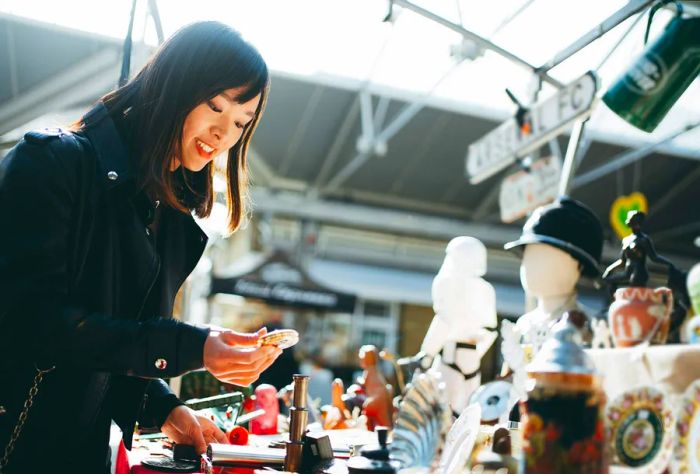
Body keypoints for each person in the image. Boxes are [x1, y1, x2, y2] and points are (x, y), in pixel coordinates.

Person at [0, 21, 283, 473]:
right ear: (174, 84)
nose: (222, 134)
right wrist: (193, 347)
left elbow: (109, 342)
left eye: (239, 123)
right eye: (214, 105)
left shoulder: (166, 214)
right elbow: (38, 325)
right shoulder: (50, 164)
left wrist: (163, 408)